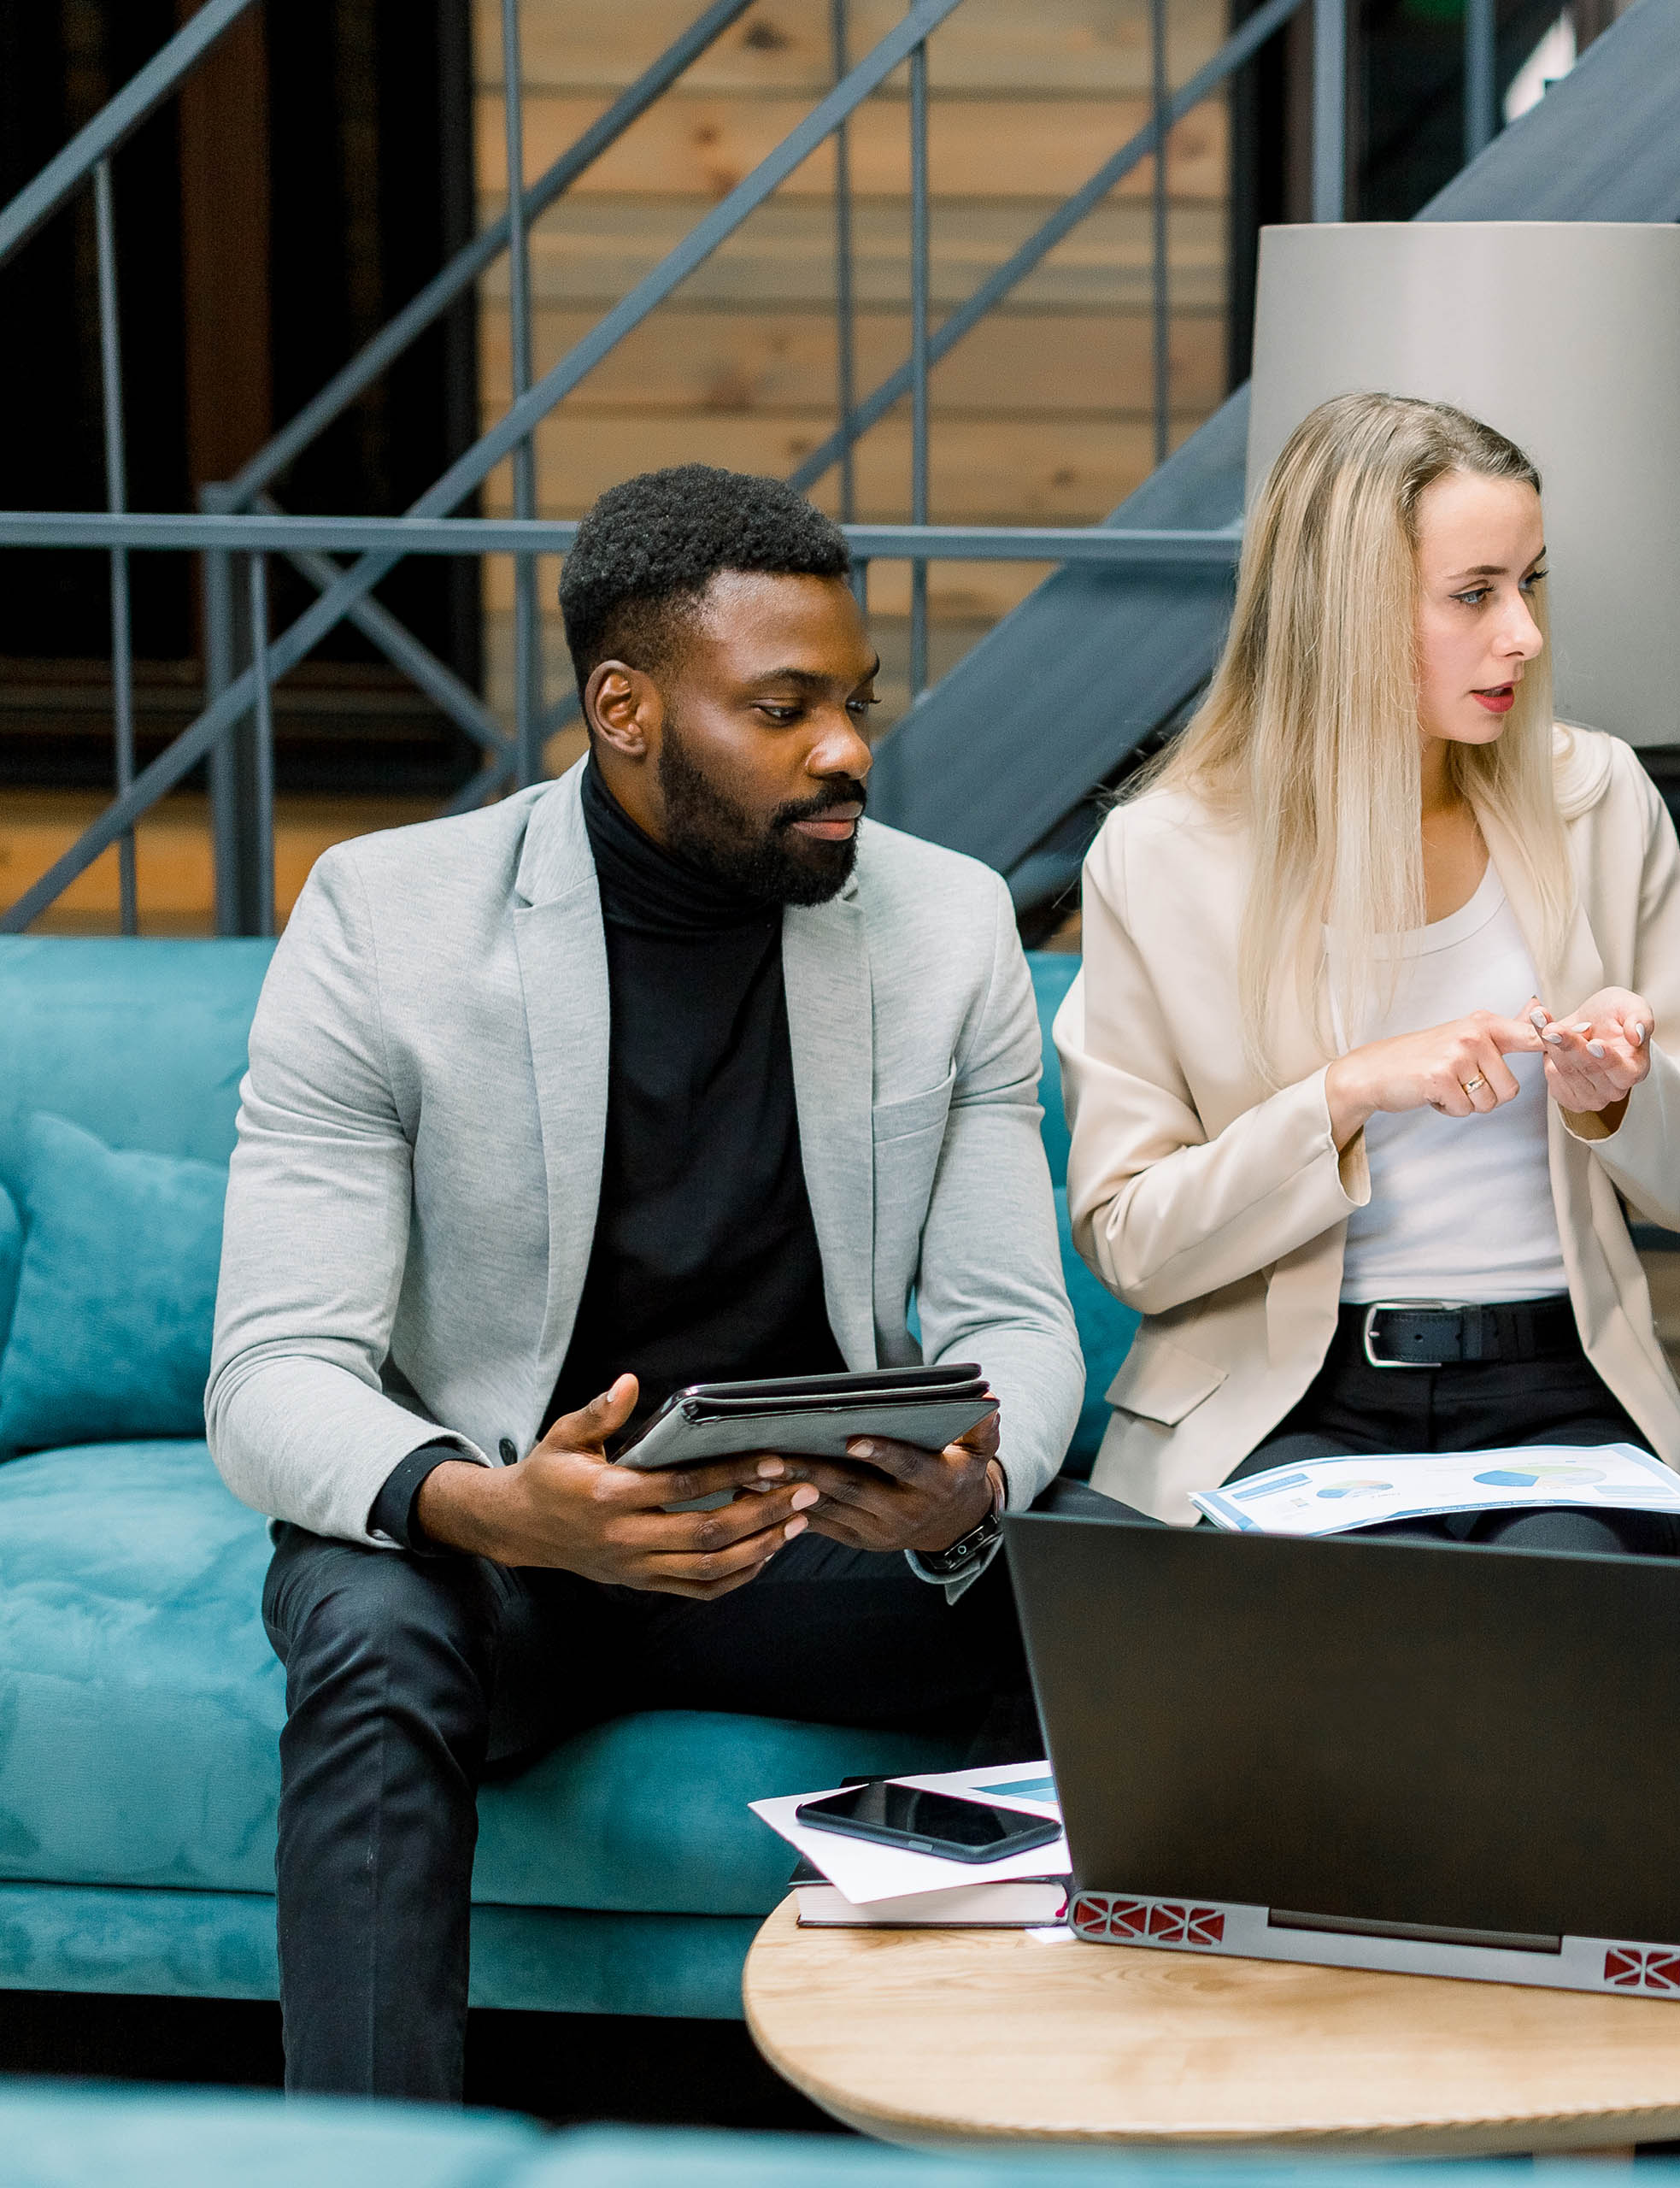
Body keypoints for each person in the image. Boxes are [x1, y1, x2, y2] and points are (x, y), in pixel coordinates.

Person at [209, 464, 1084, 2099]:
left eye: (856, 701)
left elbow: (1015, 1330)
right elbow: (271, 1376)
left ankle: (1045, 2120)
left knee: (1106, 1583)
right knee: (370, 1627)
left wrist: (959, 1500)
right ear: (624, 706)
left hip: (810, 1533)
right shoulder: (385, 922)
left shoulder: (948, 926)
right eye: (784, 707)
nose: (848, 750)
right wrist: (491, 1510)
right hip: (504, 1549)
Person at [1054, 391, 1680, 1549]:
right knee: (1372, 1644)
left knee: (1559, 1616)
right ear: (1344, 615)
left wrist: (1619, 1097)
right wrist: (1344, 1094)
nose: (1522, 634)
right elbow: (1134, 1244)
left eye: (1530, 583)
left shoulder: (1599, 799)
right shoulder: (1164, 853)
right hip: (1291, 1400)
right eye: (1474, 594)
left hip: (1561, 1392)